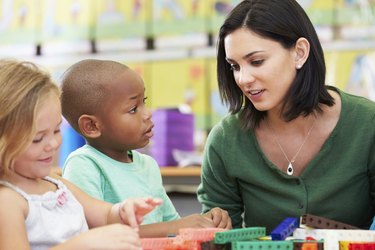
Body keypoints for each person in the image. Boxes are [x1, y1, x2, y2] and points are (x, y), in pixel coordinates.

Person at [197, 0, 375, 233]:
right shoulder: (225, 140)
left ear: (299, 53)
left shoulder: (367, 124)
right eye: (234, 66)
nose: (243, 79)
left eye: (257, 61)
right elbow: (219, 238)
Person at [0, 59, 162, 250]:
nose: (52, 144)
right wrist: (80, 244)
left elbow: (103, 215)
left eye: (56, 130)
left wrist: (123, 210)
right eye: (38, 138)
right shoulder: (8, 202)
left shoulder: (53, 182)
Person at [60, 59, 232, 238]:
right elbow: (95, 235)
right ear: (91, 126)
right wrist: (176, 227)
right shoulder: (83, 164)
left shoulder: (147, 164)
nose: (148, 113)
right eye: (133, 109)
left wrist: (206, 222)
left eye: (144, 101)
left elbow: (171, 225)